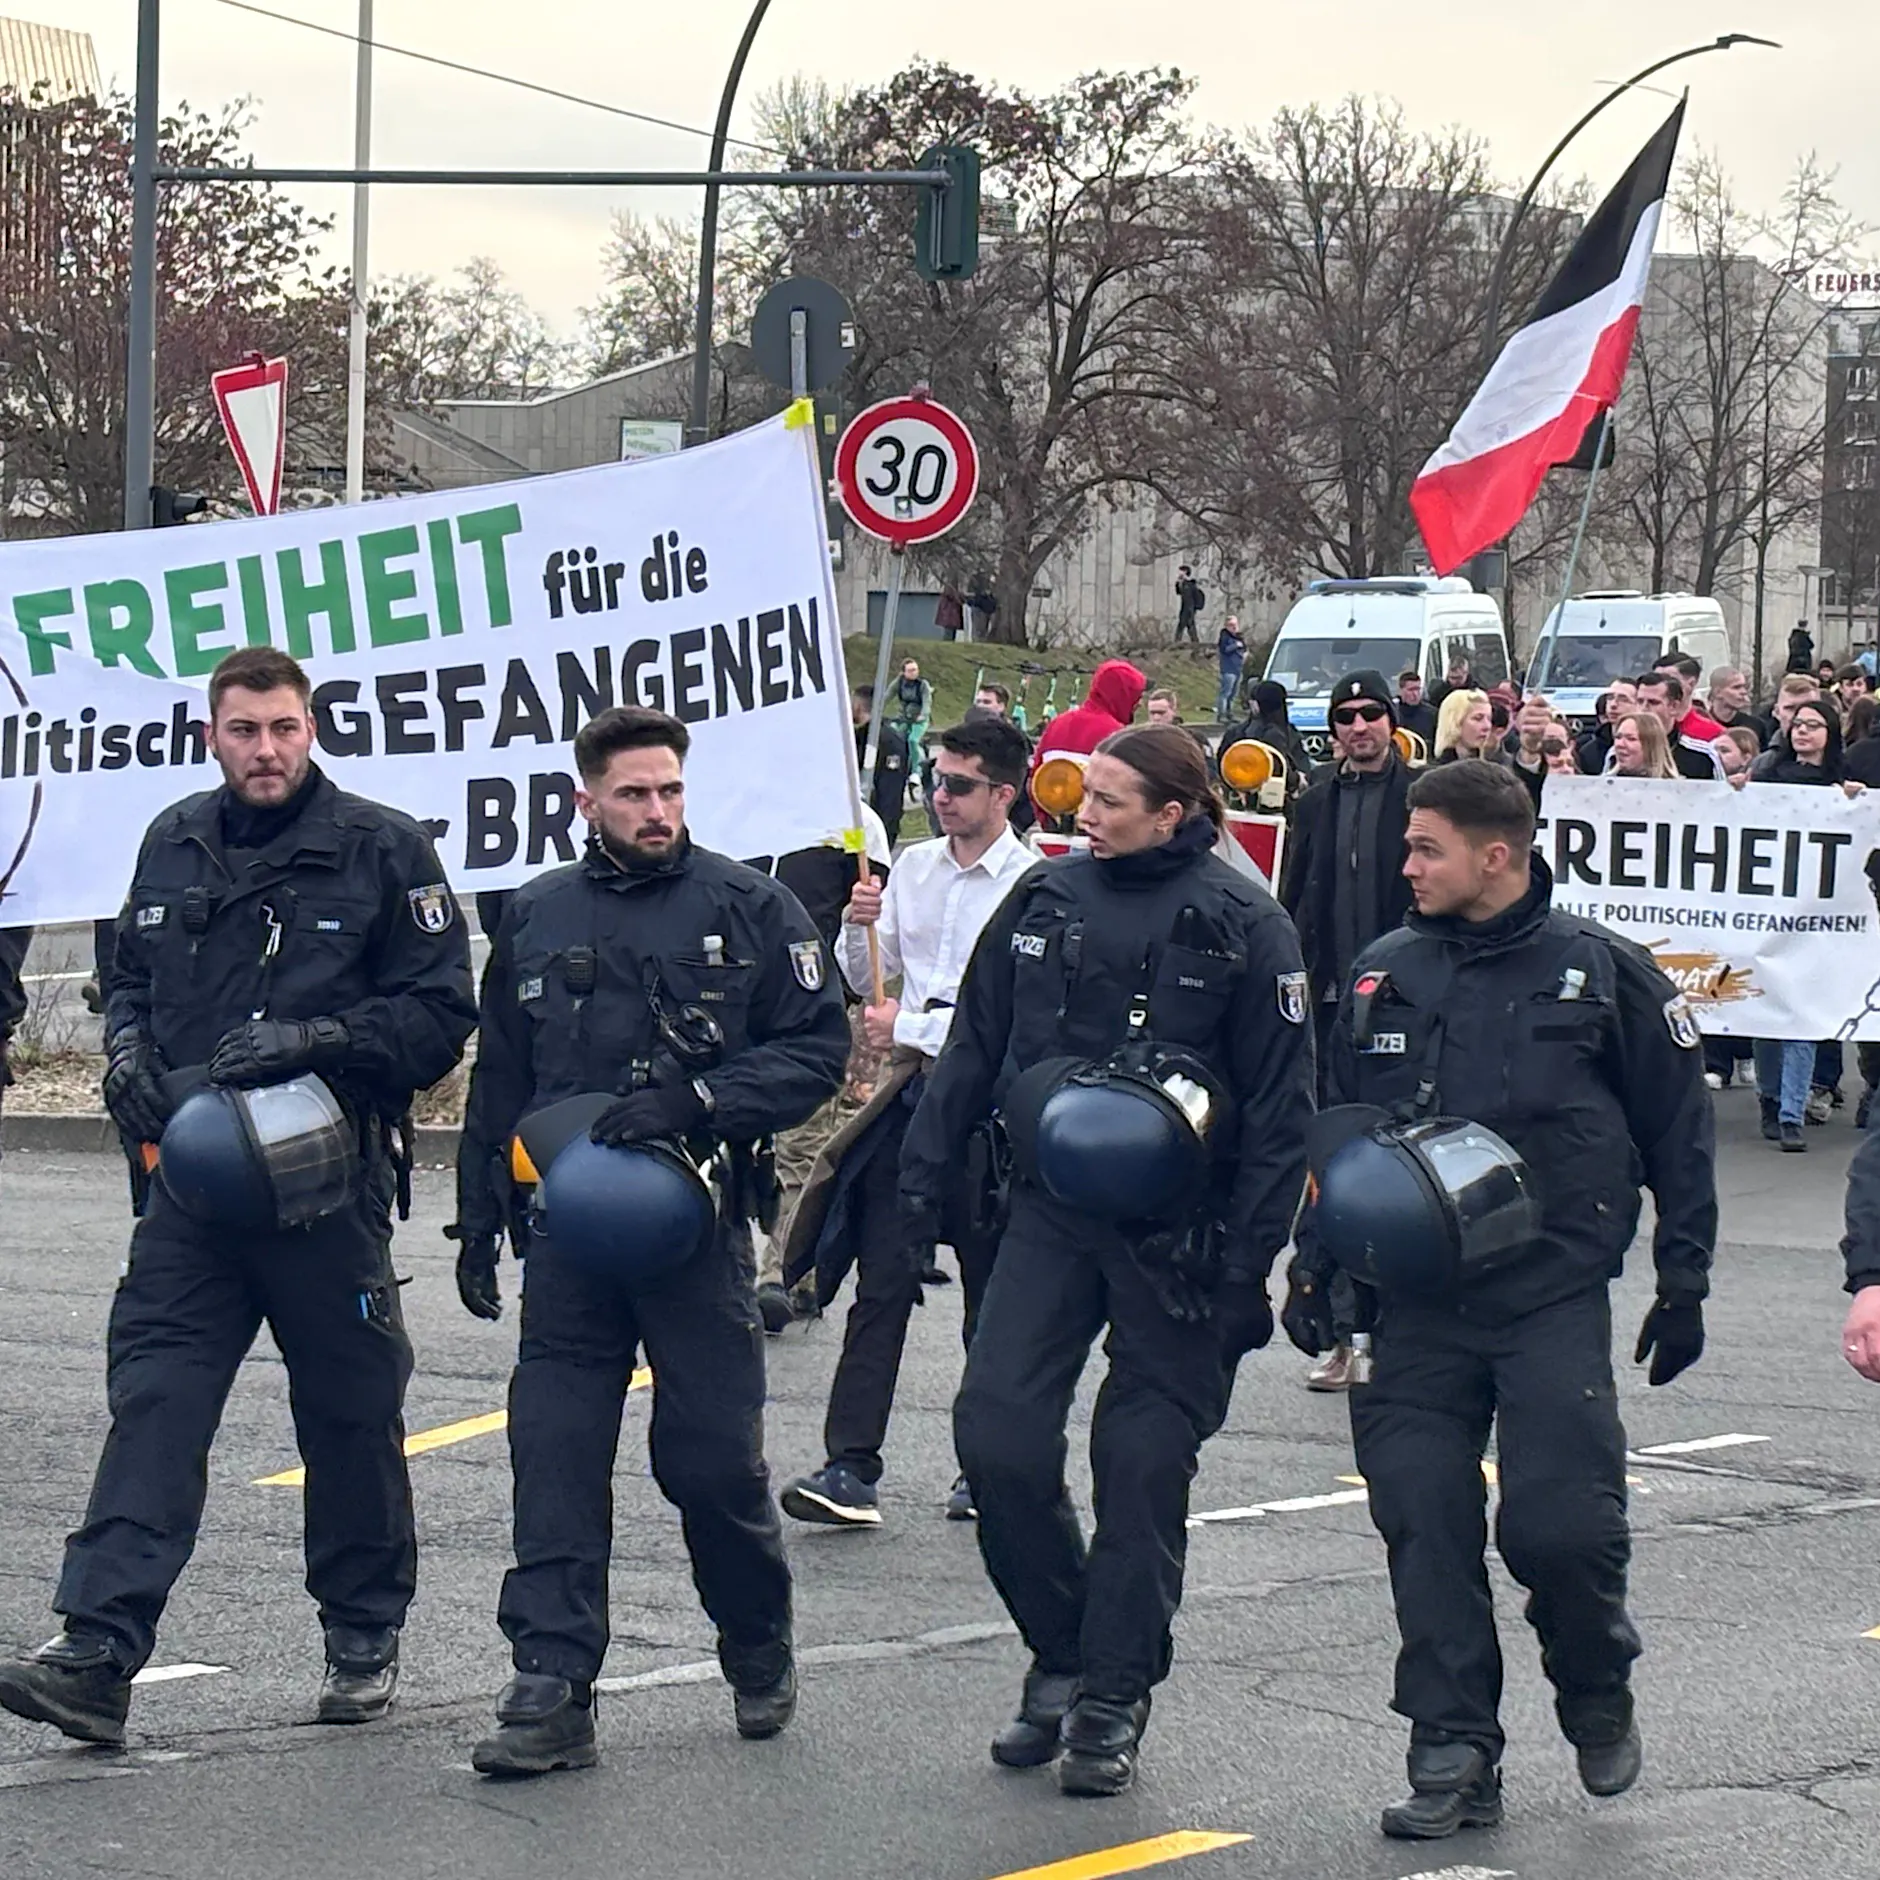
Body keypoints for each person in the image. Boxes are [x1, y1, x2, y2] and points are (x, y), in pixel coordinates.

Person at [0, 648, 477, 1747]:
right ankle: (98, 1648)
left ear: (311, 730)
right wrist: (123, 1049)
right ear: (209, 733)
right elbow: (128, 974)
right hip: (193, 1198)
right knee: (155, 1402)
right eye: (244, 729)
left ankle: (362, 1631)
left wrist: (321, 1038)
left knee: (350, 1415)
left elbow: (440, 1011)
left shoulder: (382, 847)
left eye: (284, 727)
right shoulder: (174, 839)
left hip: (324, 1187)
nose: (266, 748)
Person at [1284, 759, 1715, 1841]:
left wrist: (1684, 1276)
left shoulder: (1601, 973)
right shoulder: (1384, 973)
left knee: (1559, 1528)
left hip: (1546, 1292)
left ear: (1497, 854)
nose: (1405, 863)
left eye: (1425, 846)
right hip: (1412, 1303)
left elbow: (1677, 1130)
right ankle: (1450, 1745)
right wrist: (1315, 1261)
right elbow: (1342, 1133)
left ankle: (1592, 1676)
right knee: (1421, 1520)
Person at [903, 725, 1312, 1798]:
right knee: (994, 1435)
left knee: (1136, 1467)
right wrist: (918, 1178)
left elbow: (1281, 1114)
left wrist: (1245, 1269)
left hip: (1180, 1238)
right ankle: (1063, 1643)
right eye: (1086, 793)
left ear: (1173, 813)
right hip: (1046, 1212)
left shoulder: (1244, 923)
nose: (1087, 810)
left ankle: (1111, 1693)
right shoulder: (1042, 901)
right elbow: (975, 1046)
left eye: (1114, 798)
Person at [451, 704, 850, 1778]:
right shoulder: (535, 911)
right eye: (634, 793)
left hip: (697, 1230)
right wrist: (478, 1211)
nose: (657, 810)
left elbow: (816, 1047)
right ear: (586, 800)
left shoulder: (748, 905)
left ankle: (754, 1635)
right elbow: (502, 1075)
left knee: (711, 1460)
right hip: (573, 1240)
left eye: (669, 789)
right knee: (555, 1451)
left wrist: (702, 1097)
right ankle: (550, 1680)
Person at [778, 717, 1035, 1528]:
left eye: (958, 785)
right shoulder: (915, 868)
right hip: (909, 1099)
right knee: (880, 1277)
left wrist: (911, 1030)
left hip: (986, 1107)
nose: (939, 796)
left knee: (991, 1293)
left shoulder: (1032, 886)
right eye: (934, 779)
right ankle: (850, 1464)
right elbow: (872, 984)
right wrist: (861, 927)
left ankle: (987, 1466)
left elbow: (1013, 1021)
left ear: (1004, 792)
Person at [1278, 668, 1415, 1392]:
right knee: (1332, 1169)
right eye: (1345, 717)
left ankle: (1389, 1331)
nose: (1358, 727)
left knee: (1399, 1169)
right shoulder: (1317, 800)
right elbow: (1292, 895)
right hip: (1331, 1008)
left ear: (1390, 722)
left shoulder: (1420, 796)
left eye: (1371, 714)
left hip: (1409, 1008)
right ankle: (1338, 1331)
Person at [1748, 697, 1856, 1152]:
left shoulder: (1844, 784)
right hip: (1768, 910)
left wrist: (1854, 801)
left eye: (1813, 725)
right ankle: (1770, 1100)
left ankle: (1792, 1111)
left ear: (1830, 733)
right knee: (1764, 1012)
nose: (1802, 732)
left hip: (1817, 918)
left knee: (1802, 1013)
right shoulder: (1768, 775)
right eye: (1797, 724)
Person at [1030, 660, 1147, 775]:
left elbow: (1034, 777)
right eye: (1137, 696)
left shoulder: (1056, 724)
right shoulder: (1117, 736)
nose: (1140, 703)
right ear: (1123, 694)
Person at [851, 684, 910, 848]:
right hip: (854, 825)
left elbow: (890, 793)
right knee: (849, 865)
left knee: (867, 871)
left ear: (857, 705)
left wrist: (883, 837)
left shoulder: (887, 742)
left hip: (874, 829)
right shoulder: (857, 737)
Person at [1634, 672, 1723, 779]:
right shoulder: (1620, 751)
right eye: (1639, 701)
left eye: (1653, 702)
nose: (1643, 709)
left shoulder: (1702, 755)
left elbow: (1721, 794)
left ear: (1674, 707)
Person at [1574, 680, 1637, 776]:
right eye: (1610, 698)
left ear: (1638, 705)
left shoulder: (1650, 748)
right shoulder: (1589, 752)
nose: (1613, 705)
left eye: (1623, 699)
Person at [1606, 711, 1678, 781]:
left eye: (1631, 739)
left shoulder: (1675, 789)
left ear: (1651, 746)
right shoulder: (1603, 785)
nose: (1620, 744)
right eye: (1618, 737)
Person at [1707, 668, 1771, 745]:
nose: (1743, 692)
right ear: (1718, 692)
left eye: (1744, 687)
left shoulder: (1756, 726)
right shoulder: (1701, 726)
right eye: (1736, 687)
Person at [1432, 689, 1498, 764]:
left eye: (1489, 719)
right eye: (1478, 718)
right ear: (1454, 721)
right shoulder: (1434, 773)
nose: (1487, 726)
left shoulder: (1497, 770)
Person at [891, 658, 934, 756]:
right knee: (894, 737)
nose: (914, 673)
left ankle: (918, 767)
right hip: (904, 718)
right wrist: (876, 709)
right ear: (903, 672)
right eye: (910, 671)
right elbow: (888, 695)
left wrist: (923, 715)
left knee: (913, 740)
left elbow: (927, 702)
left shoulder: (922, 684)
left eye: (915, 670)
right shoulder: (899, 682)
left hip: (919, 720)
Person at [1215, 615, 1248, 720]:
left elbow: (1244, 649)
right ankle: (1222, 715)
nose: (1234, 627)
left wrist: (1244, 654)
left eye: (1235, 625)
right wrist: (1235, 646)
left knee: (1233, 694)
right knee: (1225, 693)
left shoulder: (1239, 637)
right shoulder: (1224, 637)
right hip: (1228, 669)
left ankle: (1230, 714)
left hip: (1238, 669)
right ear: (1226, 626)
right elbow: (1224, 650)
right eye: (1231, 625)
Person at [1395, 671, 1437, 743]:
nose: (1415, 694)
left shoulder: (1432, 714)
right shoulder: (1392, 712)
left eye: (1417, 689)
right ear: (1401, 690)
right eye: (1411, 690)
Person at [1173, 565, 1204, 643]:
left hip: (1189, 608)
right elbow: (1178, 592)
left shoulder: (1190, 584)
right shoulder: (1183, 583)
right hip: (1185, 607)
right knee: (1189, 625)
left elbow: (1189, 597)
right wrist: (1178, 583)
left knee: (1185, 624)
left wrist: (1191, 609)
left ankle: (1178, 640)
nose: (1179, 573)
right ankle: (1194, 640)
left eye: (1180, 571)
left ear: (1185, 572)